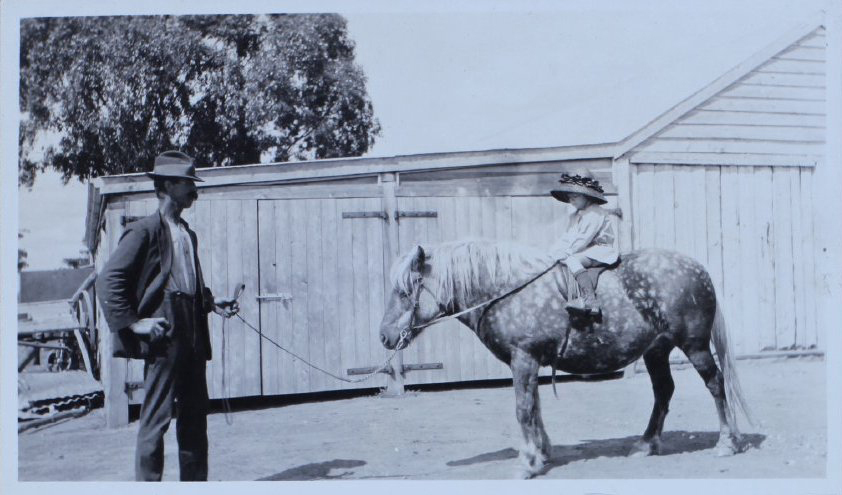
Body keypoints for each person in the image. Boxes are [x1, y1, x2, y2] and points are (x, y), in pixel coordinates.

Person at [96, 151, 240, 481]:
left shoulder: (187, 233)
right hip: (165, 336)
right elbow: (109, 280)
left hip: (192, 333)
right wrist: (133, 322)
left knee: (195, 421)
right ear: (168, 186)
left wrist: (213, 303)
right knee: (156, 421)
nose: (195, 190)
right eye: (188, 184)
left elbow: (187, 283)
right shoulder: (144, 231)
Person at [549, 170, 620, 318]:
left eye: (575, 197)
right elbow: (568, 236)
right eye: (569, 198)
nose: (572, 201)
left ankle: (590, 299)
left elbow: (583, 239)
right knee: (561, 259)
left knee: (571, 259)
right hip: (587, 250)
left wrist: (566, 252)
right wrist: (554, 251)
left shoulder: (594, 213)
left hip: (600, 250)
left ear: (587, 196)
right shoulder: (577, 215)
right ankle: (571, 296)